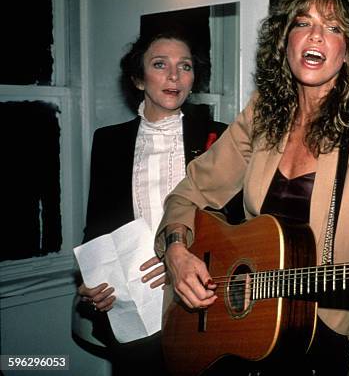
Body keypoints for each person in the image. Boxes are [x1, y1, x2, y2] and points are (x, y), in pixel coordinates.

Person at [154, 0, 349, 375]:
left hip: (321, 339)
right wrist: (176, 251)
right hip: (245, 333)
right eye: (303, 23)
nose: (315, 35)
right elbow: (189, 191)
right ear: (285, 41)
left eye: (333, 28)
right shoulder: (262, 116)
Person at [75, 29, 234, 375]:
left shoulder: (220, 137)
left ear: (194, 79)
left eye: (185, 66)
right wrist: (89, 284)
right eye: (160, 64)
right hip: (135, 305)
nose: (174, 76)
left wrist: (178, 259)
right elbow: (98, 226)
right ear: (138, 78)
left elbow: (236, 225)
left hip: (203, 300)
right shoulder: (109, 141)